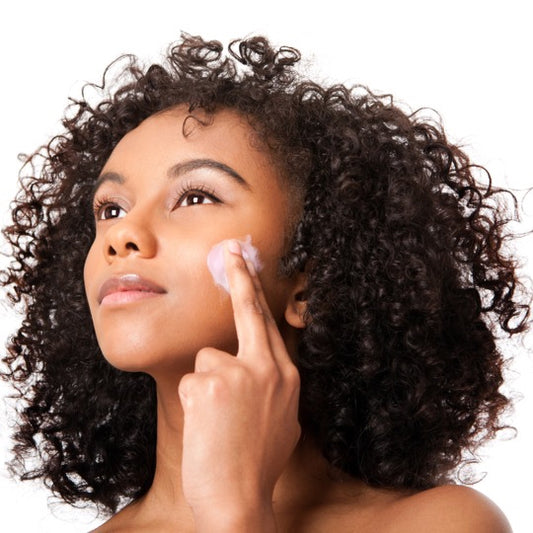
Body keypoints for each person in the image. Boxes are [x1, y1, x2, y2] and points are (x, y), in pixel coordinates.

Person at [1, 34, 528, 532]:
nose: (123, 235)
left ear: (309, 283)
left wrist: (237, 511)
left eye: (195, 196)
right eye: (110, 208)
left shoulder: (443, 524)